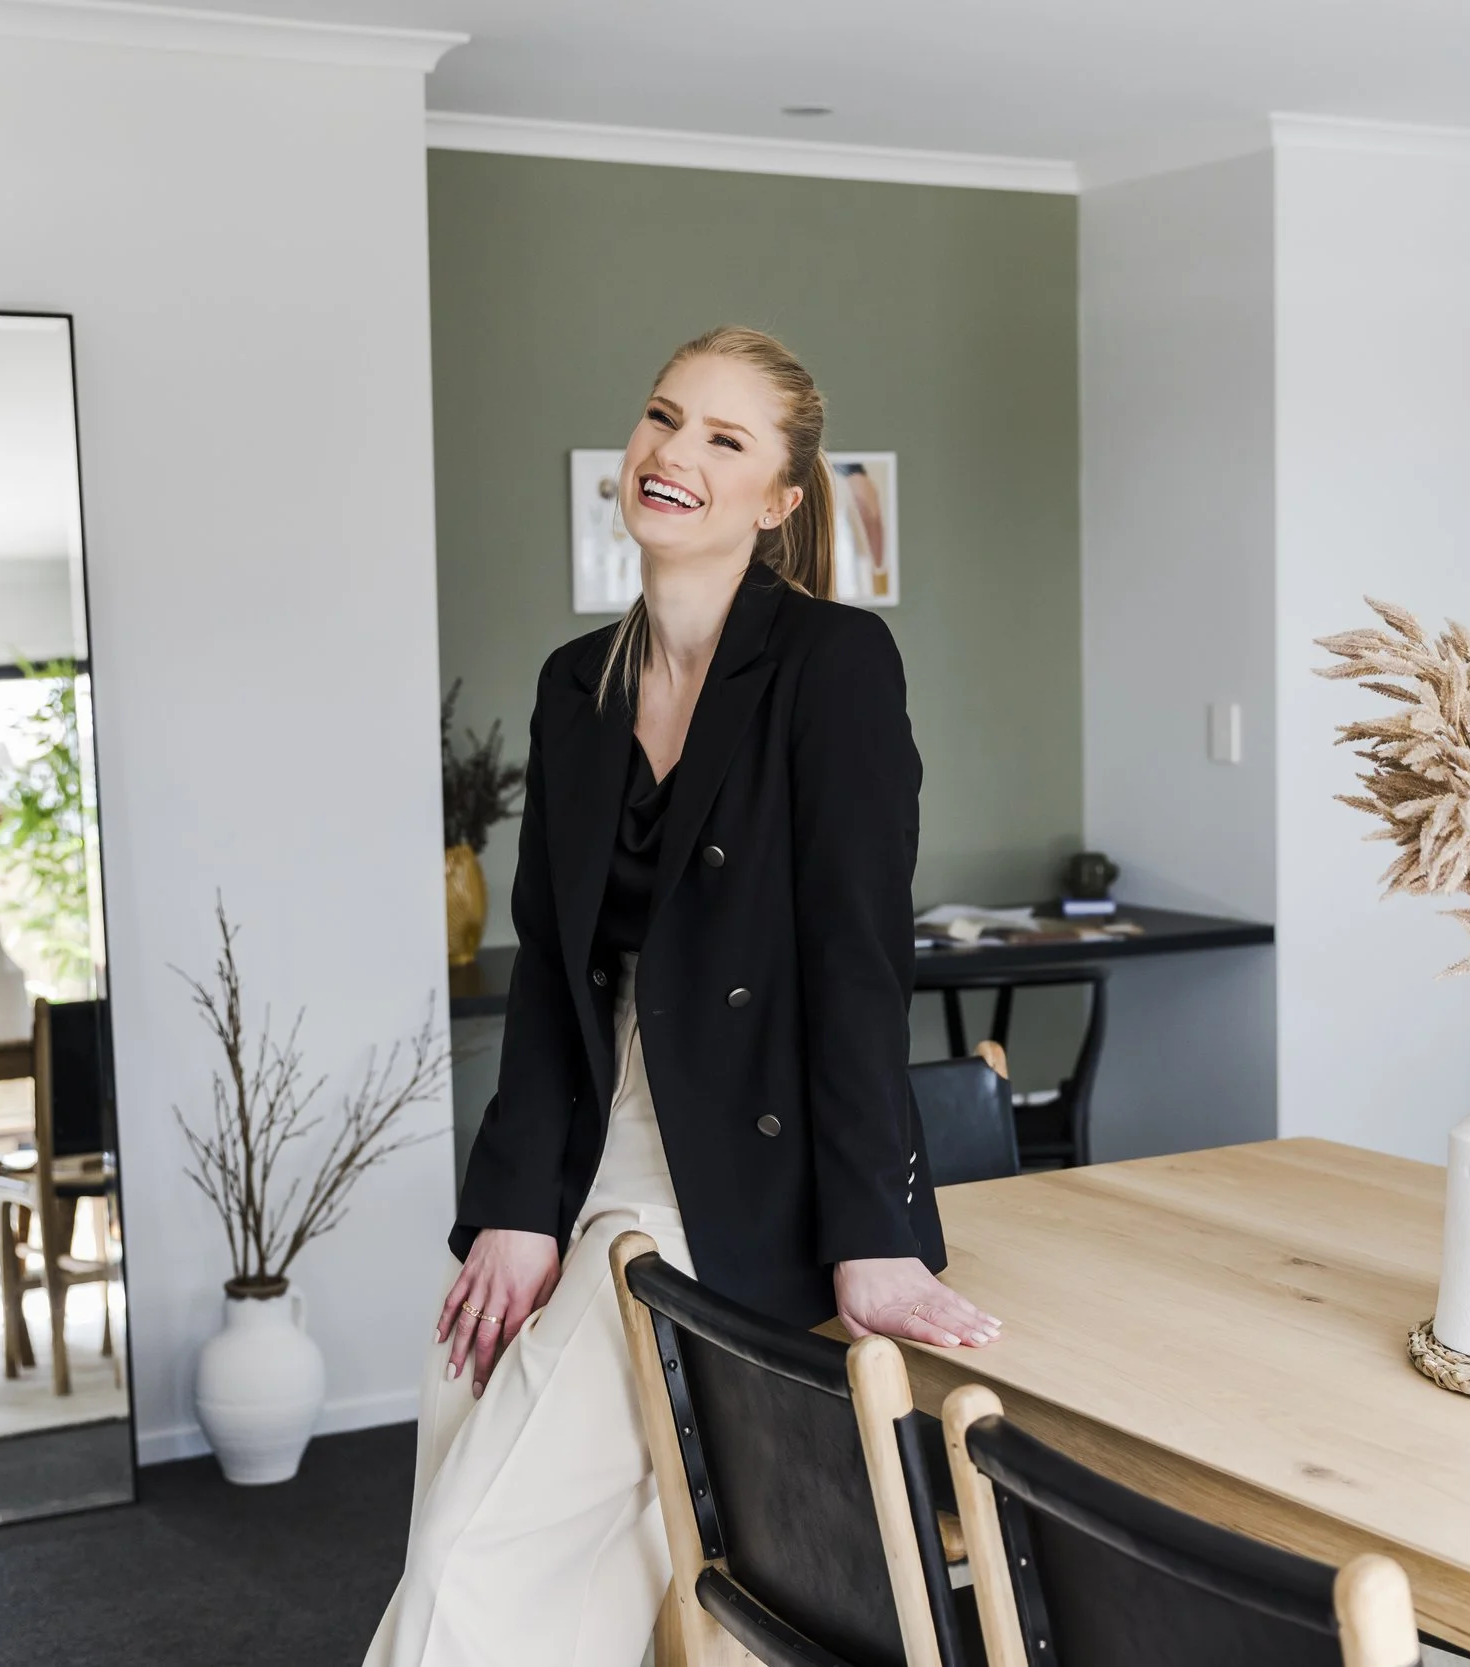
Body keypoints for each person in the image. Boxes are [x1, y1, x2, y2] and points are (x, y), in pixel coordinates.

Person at [363, 327, 1001, 1667]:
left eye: (726, 438)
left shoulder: (834, 664)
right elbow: (556, 970)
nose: (675, 454)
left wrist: (874, 1234)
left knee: (476, 1564)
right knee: (456, 1437)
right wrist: (514, 1209)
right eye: (663, 418)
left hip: (724, 1182)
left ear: (779, 498)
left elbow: (857, 961)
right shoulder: (573, 684)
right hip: (591, 1149)